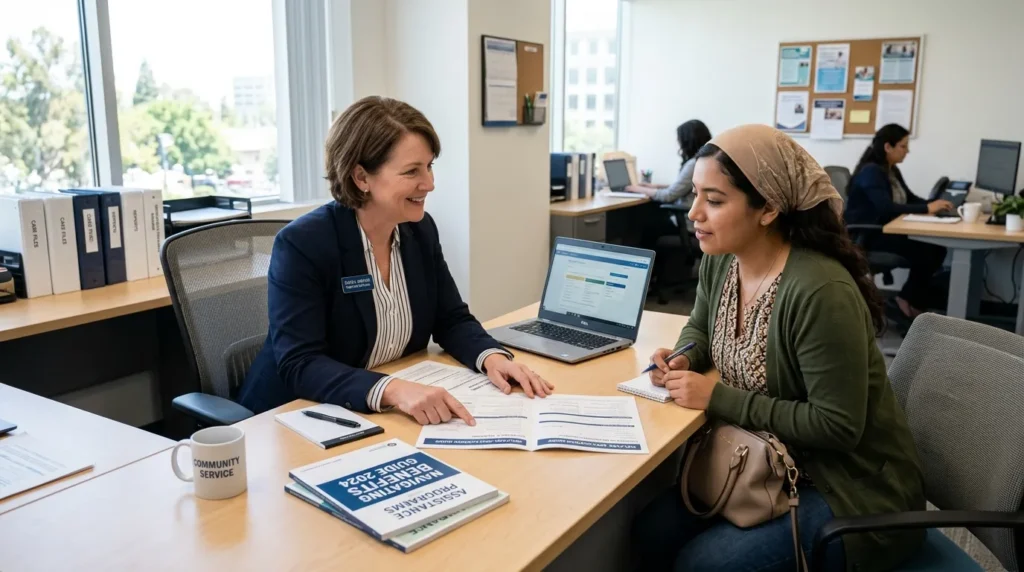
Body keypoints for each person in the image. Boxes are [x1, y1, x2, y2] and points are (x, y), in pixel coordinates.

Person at [631, 125, 925, 572]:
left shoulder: (819, 291)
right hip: (760, 460)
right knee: (648, 533)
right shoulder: (722, 261)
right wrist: (685, 355)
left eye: (714, 200)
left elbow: (838, 425)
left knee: (702, 565)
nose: (694, 213)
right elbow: (700, 326)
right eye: (695, 194)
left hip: (847, 489)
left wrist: (717, 398)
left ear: (768, 208)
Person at [238, 96, 553, 424]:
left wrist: (490, 358)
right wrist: (394, 390)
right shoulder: (304, 244)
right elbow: (300, 363)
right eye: (412, 171)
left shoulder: (420, 231)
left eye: (429, 166)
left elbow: (451, 319)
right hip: (291, 416)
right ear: (361, 178)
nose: (429, 183)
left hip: (378, 416)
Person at [845, 123, 951, 322]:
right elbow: (886, 208)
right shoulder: (871, 172)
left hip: (887, 232)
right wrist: (927, 209)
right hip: (870, 236)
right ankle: (907, 301)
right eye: (903, 146)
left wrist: (937, 204)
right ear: (888, 147)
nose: (907, 151)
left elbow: (910, 199)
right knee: (931, 251)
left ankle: (910, 301)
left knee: (935, 249)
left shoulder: (891, 170)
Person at [627, 119, 712, 204]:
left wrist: (636, 189)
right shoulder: (706, 160)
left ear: (687, 141)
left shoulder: (693, 164)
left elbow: (669, 195)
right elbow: (681, 188)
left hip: (685, 213)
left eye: (679, 139)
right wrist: (655, 186)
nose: (678, 143)